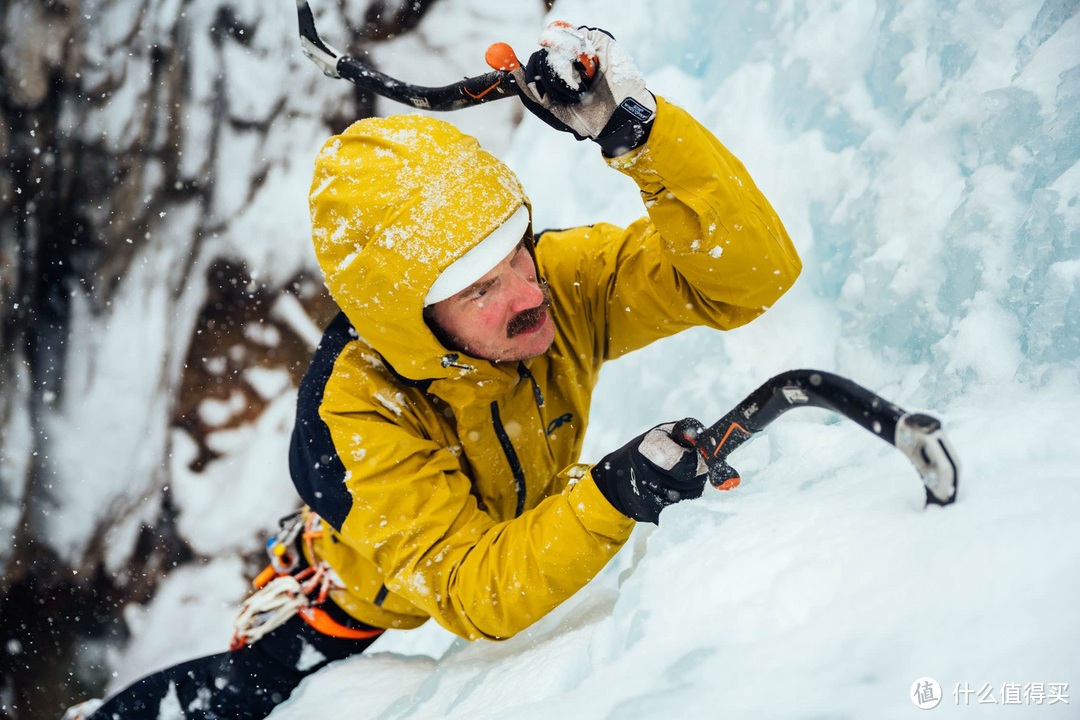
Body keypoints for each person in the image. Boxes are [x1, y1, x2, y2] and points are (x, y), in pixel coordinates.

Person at [73, 22, 800, 720]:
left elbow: (749, 276)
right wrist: (612, 495)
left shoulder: (555, 282)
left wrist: (640, 136)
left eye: (516, 249)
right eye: (480, 287)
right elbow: (473, 587)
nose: (528, 291)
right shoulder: (361, 408)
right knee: (241, 693)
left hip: (500, 516)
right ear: (411, 321)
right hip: (359, 586)